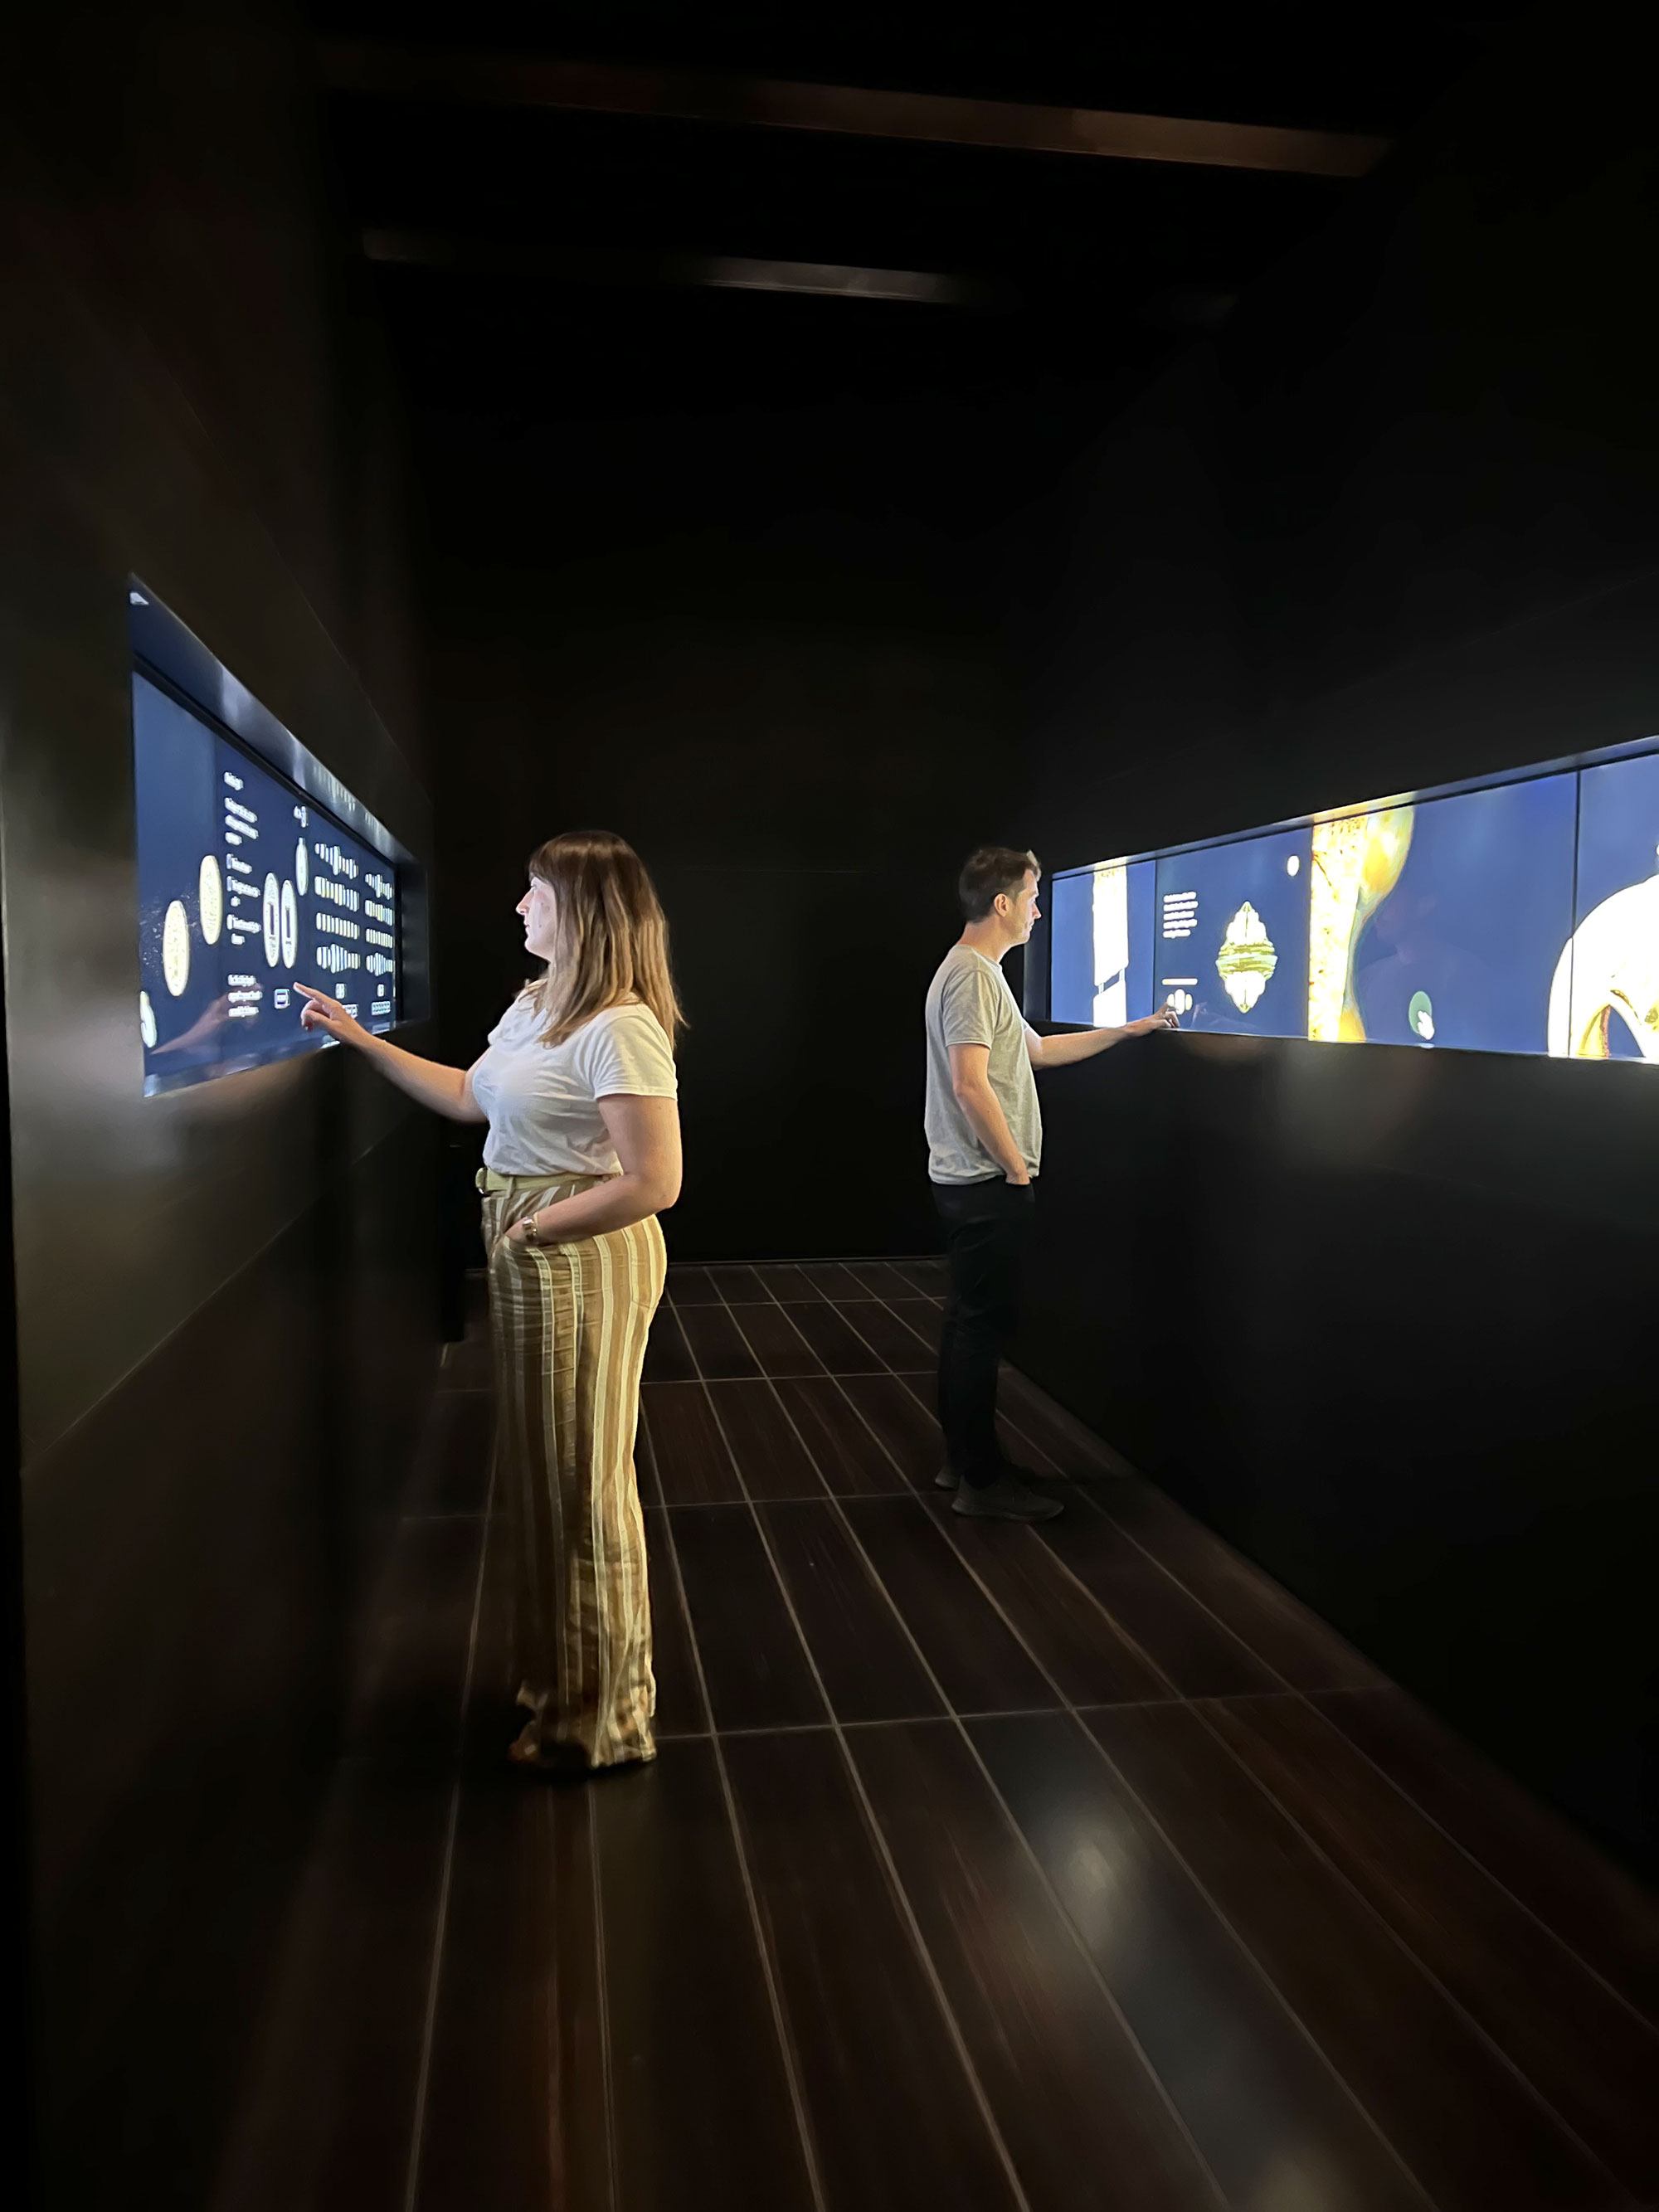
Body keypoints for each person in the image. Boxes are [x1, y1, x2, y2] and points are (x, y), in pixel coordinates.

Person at [298, 829, 683, 1774]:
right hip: (533, 1244)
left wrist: (536, 1229)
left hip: (577, 1252)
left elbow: (654, 1180)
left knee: (581, 1489)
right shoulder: (537, 1005)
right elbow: (472, 1096)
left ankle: (601, 1720)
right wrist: (357, 1038)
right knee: (548, 1485)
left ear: (580, 912)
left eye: (534, 893)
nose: (518, 907)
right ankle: (561, 1688)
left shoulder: (619, 1024)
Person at [924, 846, 1175, 1521]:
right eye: (1033, 897)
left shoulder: (977, 973)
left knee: (965, 1325)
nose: (1039, 910)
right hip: (984, 1184)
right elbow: (970, 1081)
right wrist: (1014, 1166)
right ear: (1002, 903)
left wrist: (1127, 1030)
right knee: (979, 1331)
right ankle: (981, 1481)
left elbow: (1033, 1051)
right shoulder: (973, 978)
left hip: (968, 1182)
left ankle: (964, 1461)